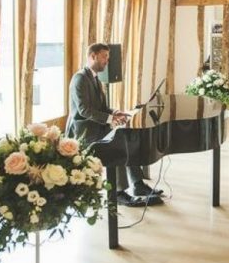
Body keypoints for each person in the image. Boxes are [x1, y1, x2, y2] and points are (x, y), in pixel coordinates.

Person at [65, 43, 162, 207]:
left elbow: (101, 108)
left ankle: (137, 184)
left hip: (97, 127)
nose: (107, 61)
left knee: (127, 139)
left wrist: (116, 112)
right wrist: (110, 119)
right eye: (104, 56)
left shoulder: (95, 78)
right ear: (93, 56)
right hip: (84, 133)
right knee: (117, 145)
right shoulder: (80, 78)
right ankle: (117, 193)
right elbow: (84, 110)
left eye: (108, 57)